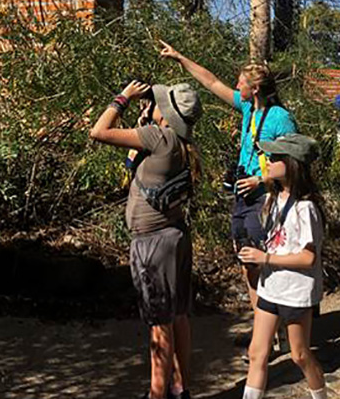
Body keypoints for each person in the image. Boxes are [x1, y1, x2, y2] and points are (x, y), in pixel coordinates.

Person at [159, 41, 297, 354]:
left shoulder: (281, 118)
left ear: (256, 87)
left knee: (269, 265)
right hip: (242, 198)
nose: (236, 86)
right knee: (249, 264)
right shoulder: (248, 108)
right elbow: (210, 82)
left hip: (266, 200)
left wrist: (261, 178)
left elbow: (294, 162)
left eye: (241, 83)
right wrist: (181, 56)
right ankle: (264, 333)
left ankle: (284, 333)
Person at [90, 80, 202, 399]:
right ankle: (180, 388)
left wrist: (123, 97)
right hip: (175, 236)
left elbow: (98, 132)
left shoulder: (159, 137)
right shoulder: (177, 142)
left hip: (153, 245)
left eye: (156, 102)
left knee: (159, 322)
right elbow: (131, 167)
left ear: (166, 114)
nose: (150, 104)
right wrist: (142, 123)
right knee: (178, 315)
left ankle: (156, 394)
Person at [237, 133, 327, 399]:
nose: (268, 161)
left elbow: (308, 258)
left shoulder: (306, 208)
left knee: (300, 355)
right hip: (271, 288)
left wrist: (264, 259)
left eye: (275, 158)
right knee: (257, 352)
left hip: (295, 292)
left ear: (292, 164)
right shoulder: (273, 199)